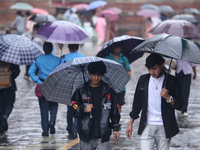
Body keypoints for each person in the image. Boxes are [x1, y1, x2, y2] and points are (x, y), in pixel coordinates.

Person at [126, 53, 183, 150]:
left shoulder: (172, 81)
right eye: (149, 69)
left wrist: (169, 97)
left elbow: (180, 105)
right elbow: (137, 103)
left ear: (162, 65)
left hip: (164, 126)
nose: (152, 72)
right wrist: (130, 123)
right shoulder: (143, 80)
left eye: (155, 68)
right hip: (147, 125)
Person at [71, 61, 120, 150]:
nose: (96, 78)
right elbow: (74, 108)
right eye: (94, 75)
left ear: (103, 75)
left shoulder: (109, 91)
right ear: (89, 73)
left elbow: (114, 112)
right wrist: (83, 109)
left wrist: (115, 129)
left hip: (103, 135)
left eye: (99, 75)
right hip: (86, 134)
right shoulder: (81, 91)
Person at [28, 42, 61, 136]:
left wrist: (38, 82)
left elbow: (31, 72)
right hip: (54, 84)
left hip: (42, 84)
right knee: (54, 104)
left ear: (44, 49)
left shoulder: (39, 59)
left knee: (44, 108)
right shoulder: (57, 60)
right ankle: (52, 121)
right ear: (51, 49)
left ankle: (45, 130)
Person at [61, 44, 85, 139]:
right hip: (80, 86)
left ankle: (70, 127)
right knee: (77, 106)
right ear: (78, 48)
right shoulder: (83, 58)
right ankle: (75, 128)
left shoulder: (65, 58)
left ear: (69, 48)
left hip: (69, 86)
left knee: (70, 108)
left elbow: (60, 70)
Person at [105, 43, 131, 113]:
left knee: (119, 104)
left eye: (119, 48)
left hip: (121, 86)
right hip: (109, 85)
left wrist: (124, 78)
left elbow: (128, 71)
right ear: (113, 47)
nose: (118, 49)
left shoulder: (123, 58)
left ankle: (117, 118)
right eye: (116, 48)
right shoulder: (107, 58)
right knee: (109, 103)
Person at [0, 62, 20, 133]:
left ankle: (1, 126)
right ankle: (5, 116)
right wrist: (10, 77)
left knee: (1, 105)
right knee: (9, 104)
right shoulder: (11, 57)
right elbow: (17, 71)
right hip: (9, 86)